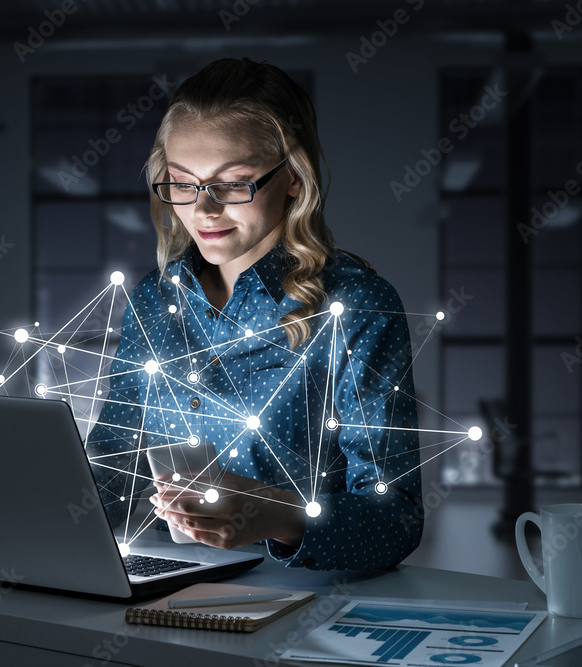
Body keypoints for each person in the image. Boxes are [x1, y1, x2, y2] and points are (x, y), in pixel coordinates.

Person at [84, 57, 423, 571]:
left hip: (306, 598)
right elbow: (110, 469)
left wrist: (282, 518)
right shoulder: (152, 299)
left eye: (234, 183)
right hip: (166, 586)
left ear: (293, 176)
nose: (203, 209)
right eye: (181, 183)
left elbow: (396, 521)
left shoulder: (355, 307)